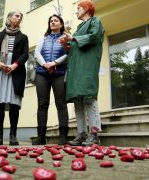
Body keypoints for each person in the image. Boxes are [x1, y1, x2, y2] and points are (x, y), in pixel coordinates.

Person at [58, 0, 105, 146]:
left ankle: (94, 134)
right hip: (75, 67)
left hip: (87, 65)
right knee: (77, 99)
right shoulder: (79, 28)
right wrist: (66, 45)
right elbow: (74, 47)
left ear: (86, 9)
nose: (76, 11)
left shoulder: (95, 21)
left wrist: (73, 38)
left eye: (78, 8)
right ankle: (81, 133)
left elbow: (95, 36)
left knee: (89, 96)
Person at [0, 11, 29, 146]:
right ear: (9, 18)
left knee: (14, 104)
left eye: (20, 17)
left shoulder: (24, 37)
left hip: (15, 72)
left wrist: (15, 65)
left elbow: (25, 54)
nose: (19, 18)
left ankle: (13, 136)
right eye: (16, 15)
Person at [33, 14, 69, 145]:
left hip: (59, 73)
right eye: (51, 21)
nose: (53, 23)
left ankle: (63, 137)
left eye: (56, 21)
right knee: (42, 104)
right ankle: (41, 137)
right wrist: (45, 64)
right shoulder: (43, 38)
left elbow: (68, 54)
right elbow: (36, 53)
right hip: (42, 73)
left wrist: (54, 62)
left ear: (61, 24)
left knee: (61, 104)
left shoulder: (65, 38)